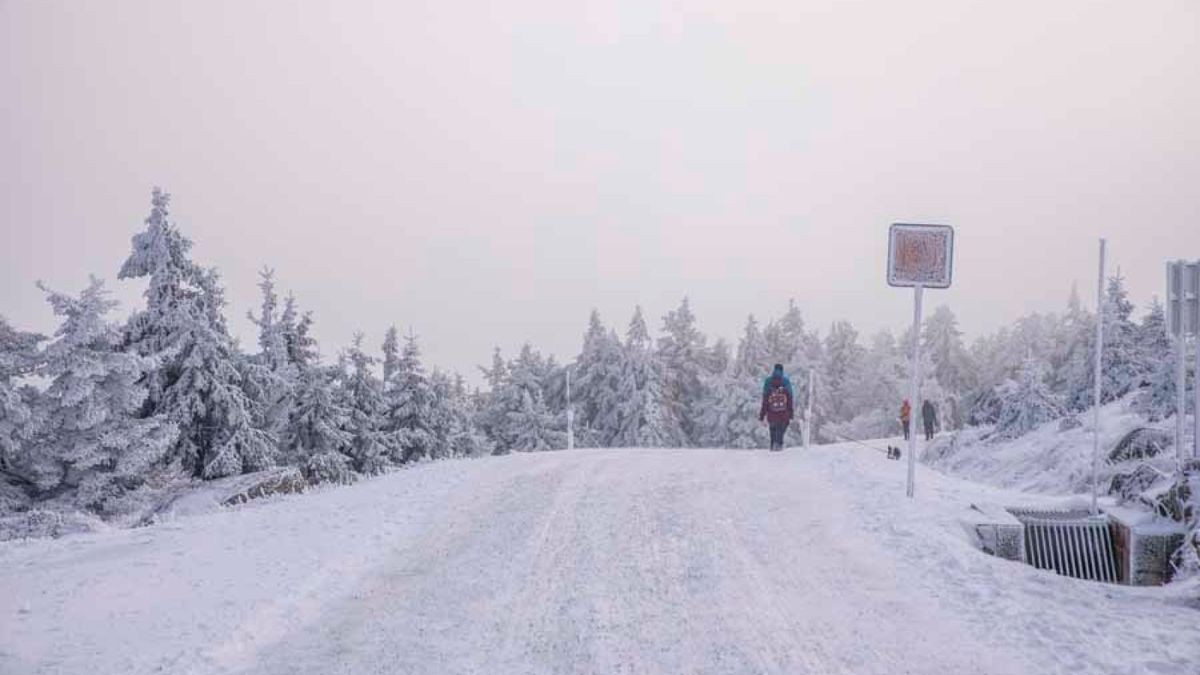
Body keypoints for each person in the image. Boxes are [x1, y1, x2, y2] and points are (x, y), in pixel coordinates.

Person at [759, 363, 794, 451]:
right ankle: (778, 445)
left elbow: (765, 399)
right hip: (783, 412)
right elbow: (790, 397)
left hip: (771, 411)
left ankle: (772, 445)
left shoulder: (768, 381)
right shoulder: (785, 381)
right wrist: (791, 412)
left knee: (773, 428)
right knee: (781, 427)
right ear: (782, 370)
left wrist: (762, 414)